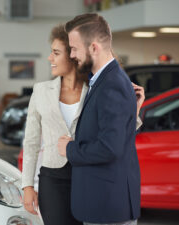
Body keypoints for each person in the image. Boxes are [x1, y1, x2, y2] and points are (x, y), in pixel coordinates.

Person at [22, 24, 144, 225]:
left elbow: (115, 138)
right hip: (54, 180)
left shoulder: (97, 88)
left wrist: (133, 112)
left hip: (91, 175)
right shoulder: (41, 91)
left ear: (73, 55)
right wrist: (27, 186)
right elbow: (31, 142)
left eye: (56, 52)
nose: (49, 58)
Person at [57, 13, 144, 225]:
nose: (72, 55)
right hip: (104, 201)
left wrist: (69, 149)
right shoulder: (104, 80)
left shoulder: (111, 84)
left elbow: (109, 147)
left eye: (75, 48)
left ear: (94, 47)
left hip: (107, 205)